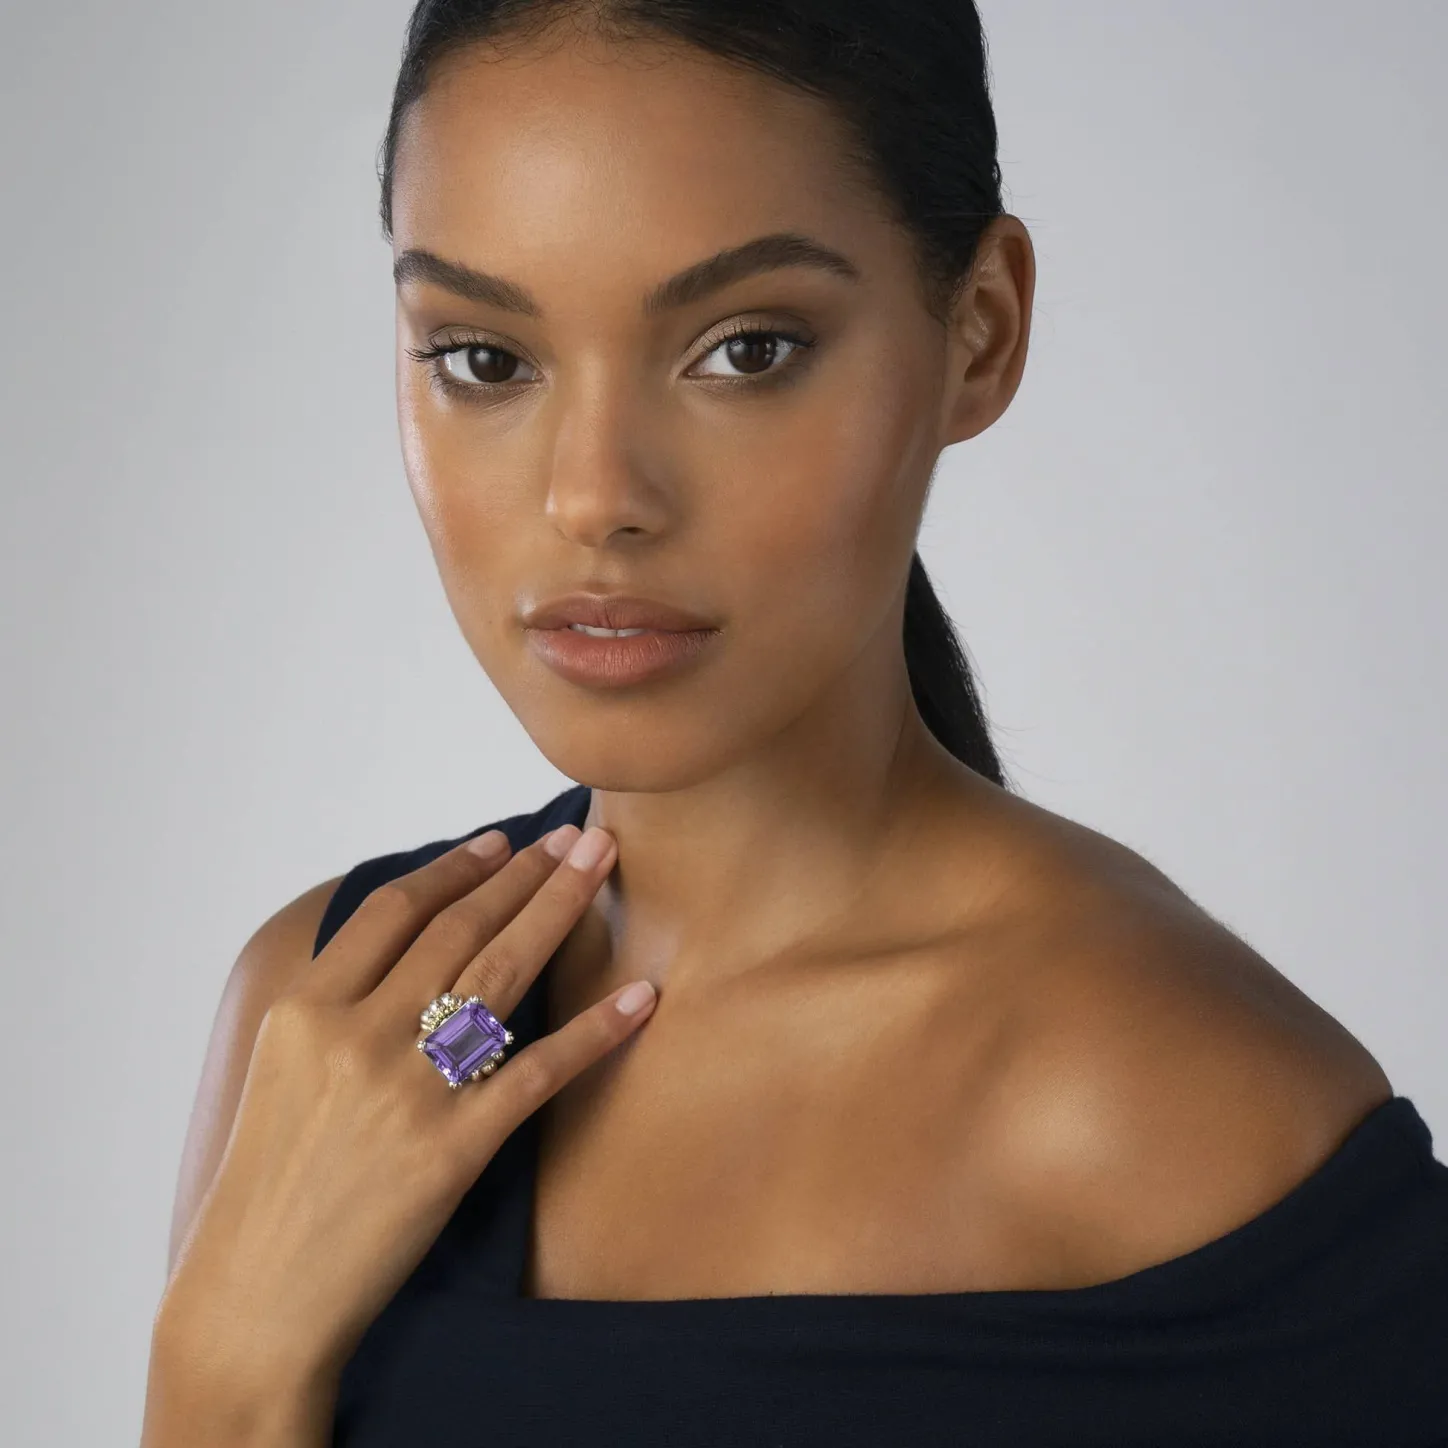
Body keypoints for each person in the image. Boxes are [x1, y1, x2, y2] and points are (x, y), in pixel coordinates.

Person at [140, 2, 1448, 1444]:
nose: (594, 496)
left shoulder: (1165, 1105)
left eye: (746, 349)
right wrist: (224, 1360)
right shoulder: (326, 1006)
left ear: (979, 332)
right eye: (485, 359)